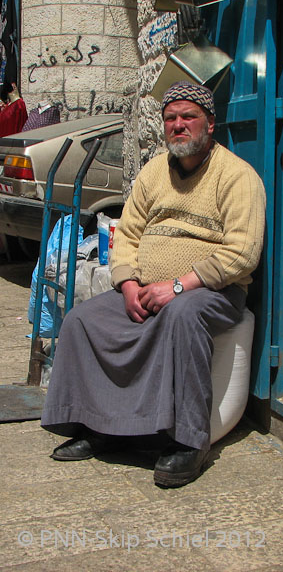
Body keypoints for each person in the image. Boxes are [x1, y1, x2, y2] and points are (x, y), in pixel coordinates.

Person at [41, 81, 266, 488]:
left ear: (210, 124)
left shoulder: (237, 176)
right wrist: (127, 284)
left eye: (189, 117)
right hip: (147, 286)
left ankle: (188, 441)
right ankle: (100, 426)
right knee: (82, 319)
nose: (178, 126)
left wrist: (178, 287)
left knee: (180, 317)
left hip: (212, 292)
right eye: (171, 119)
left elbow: (243, 253)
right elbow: (126, 235)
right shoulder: (152, 173)